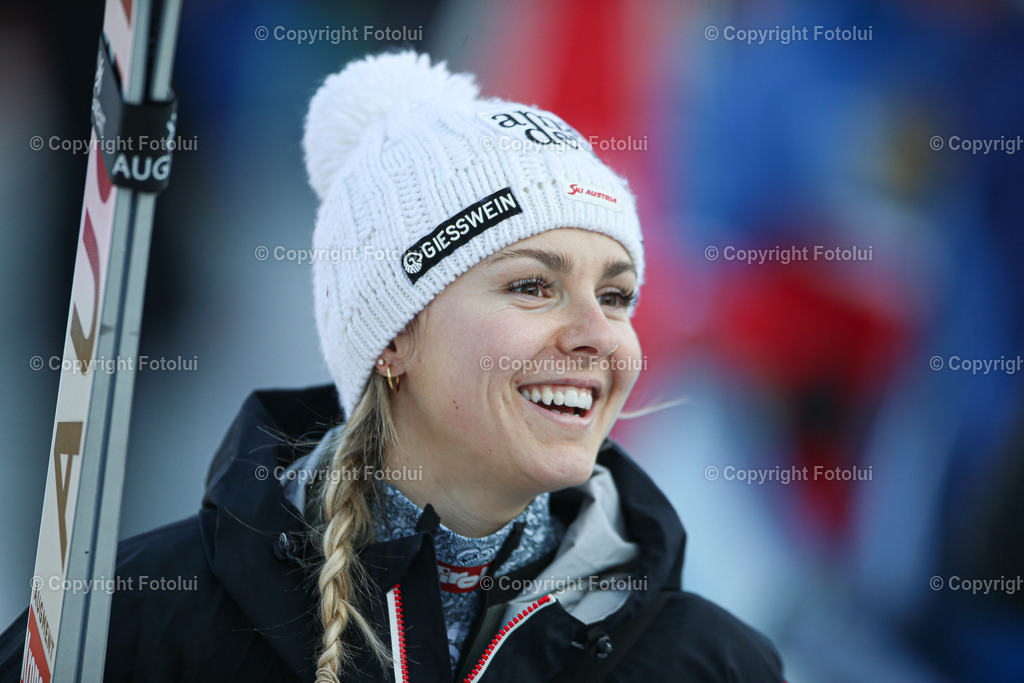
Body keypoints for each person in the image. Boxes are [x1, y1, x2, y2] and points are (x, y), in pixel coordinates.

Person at [0, 51, 785, 682]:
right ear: (394, 337)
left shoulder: (713, 661)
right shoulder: (135, 623)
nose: (597, 334)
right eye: (532, 285)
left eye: (616, 295)